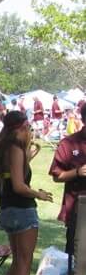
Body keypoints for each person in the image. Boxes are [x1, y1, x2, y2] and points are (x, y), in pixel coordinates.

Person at [0, 110, 52, 275]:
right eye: (30, 128)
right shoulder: (15, 147)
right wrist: (39, 194)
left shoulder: (4, 147)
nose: (31, 132)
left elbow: (12, 173)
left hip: (7, 210)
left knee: (17, 261)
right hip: (22, 210)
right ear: (23, 127)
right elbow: (19, 186)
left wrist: (29, 154)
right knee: (24, 263)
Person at [49, 101, 86, 257]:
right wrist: (77, 172)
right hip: (78, 210)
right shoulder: (69, 143)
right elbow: (57, 176)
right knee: (77, 260)